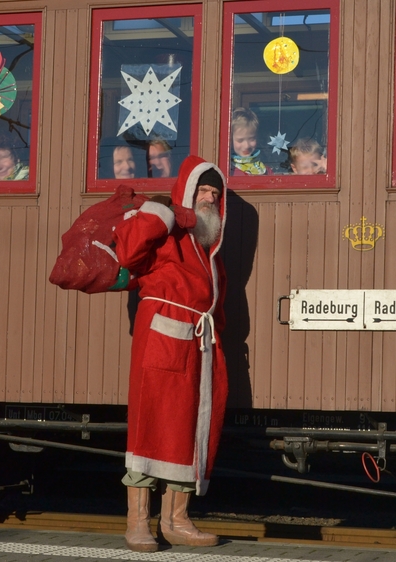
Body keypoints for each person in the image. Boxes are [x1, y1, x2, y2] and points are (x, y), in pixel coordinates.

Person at [113, 155, 228, 552]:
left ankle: (176, 520)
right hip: (162, 332)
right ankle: (138, 522)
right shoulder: (165, 228)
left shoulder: (209, 250)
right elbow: (128, 253)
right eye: (203, 190)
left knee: (188, 427)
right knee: (151, 423)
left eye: (215, 193)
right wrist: (163, 213)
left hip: (197, 340)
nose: (209, 198)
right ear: (188, 192)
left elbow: (216, 301)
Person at [229, 107, 269, 175]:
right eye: (240, 140)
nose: (246, 146)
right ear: (230, 140)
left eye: (252, 139)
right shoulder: (229, 170)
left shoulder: (265, 169)